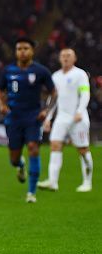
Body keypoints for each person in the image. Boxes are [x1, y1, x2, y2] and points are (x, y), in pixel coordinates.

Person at [0, 37, 56, 203]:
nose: (22, 51)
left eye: (25, 48)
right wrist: (1, 105)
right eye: (19, 49)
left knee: (33, 148)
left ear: (32, 51)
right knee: (14, 159)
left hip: (33, 117)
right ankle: (20, 165)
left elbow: (53, 92)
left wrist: (46, 110)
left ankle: (31, 193)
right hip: (13, 117)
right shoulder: (8, 71)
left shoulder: (41, 71)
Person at [38, 48, 93, 192]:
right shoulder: (55, 76)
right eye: (63, 55)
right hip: (61, 118)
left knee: (82, 149)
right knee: (55, 146)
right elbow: (53, 99)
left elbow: (85, 94)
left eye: (68, 55)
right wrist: (48, 118)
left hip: (77, 118)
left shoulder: (80, 74)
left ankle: (87, 182)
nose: (65, 58)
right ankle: (53, 181)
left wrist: (80, 111)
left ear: (74, 58)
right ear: (59, 59)